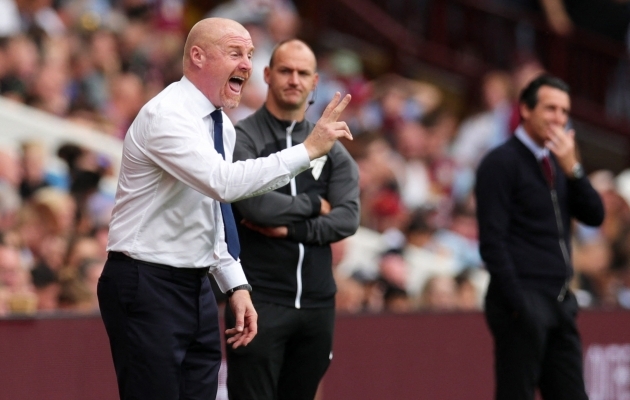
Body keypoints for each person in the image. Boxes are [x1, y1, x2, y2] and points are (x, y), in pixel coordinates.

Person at [97, 18, 353, 400]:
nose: (247, 64)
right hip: (146, 280)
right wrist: (307, 151)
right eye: (236, 52)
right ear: (197, 56)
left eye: (250, 54)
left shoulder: (221, 125)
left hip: (195, 284)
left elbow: (213, 210)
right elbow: (224, 183)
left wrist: (235, 282)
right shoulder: (167, 115)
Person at [225, 39, 360, 400]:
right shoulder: (244, 137)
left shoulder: (335, 149)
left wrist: (290, 228)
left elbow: (348, 219)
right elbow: (253, 206)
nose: (293, 79)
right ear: (267, 75)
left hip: (317, 304)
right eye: (285, 70)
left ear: (315, 82)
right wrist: (316, 205)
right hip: (259, 299)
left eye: (303, 73)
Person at [475, 74, 605, 400]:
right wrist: (519, 303)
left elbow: (595, 215)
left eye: (564, 111)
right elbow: (492, 240)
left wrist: (574, 168)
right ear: (526, 109)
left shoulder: (560, 162)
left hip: (560, 301)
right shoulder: (500, 162)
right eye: (550, 108)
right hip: (522, 301)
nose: (558, 118)